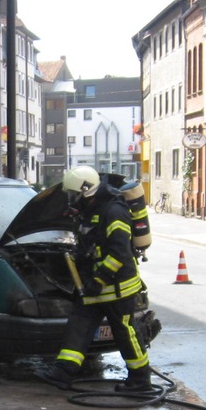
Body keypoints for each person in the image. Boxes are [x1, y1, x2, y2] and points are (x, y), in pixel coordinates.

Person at [37, 166, 152, 392]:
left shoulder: (113, 211)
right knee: (78, 326)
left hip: (117, 288)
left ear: (86, 190)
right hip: (94, 287)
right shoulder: (89, 209)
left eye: (73, 194)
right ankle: (62, 373)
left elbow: (119, 254)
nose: (71, 198)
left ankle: (140, 381)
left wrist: (99, 281)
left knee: (126, 332)